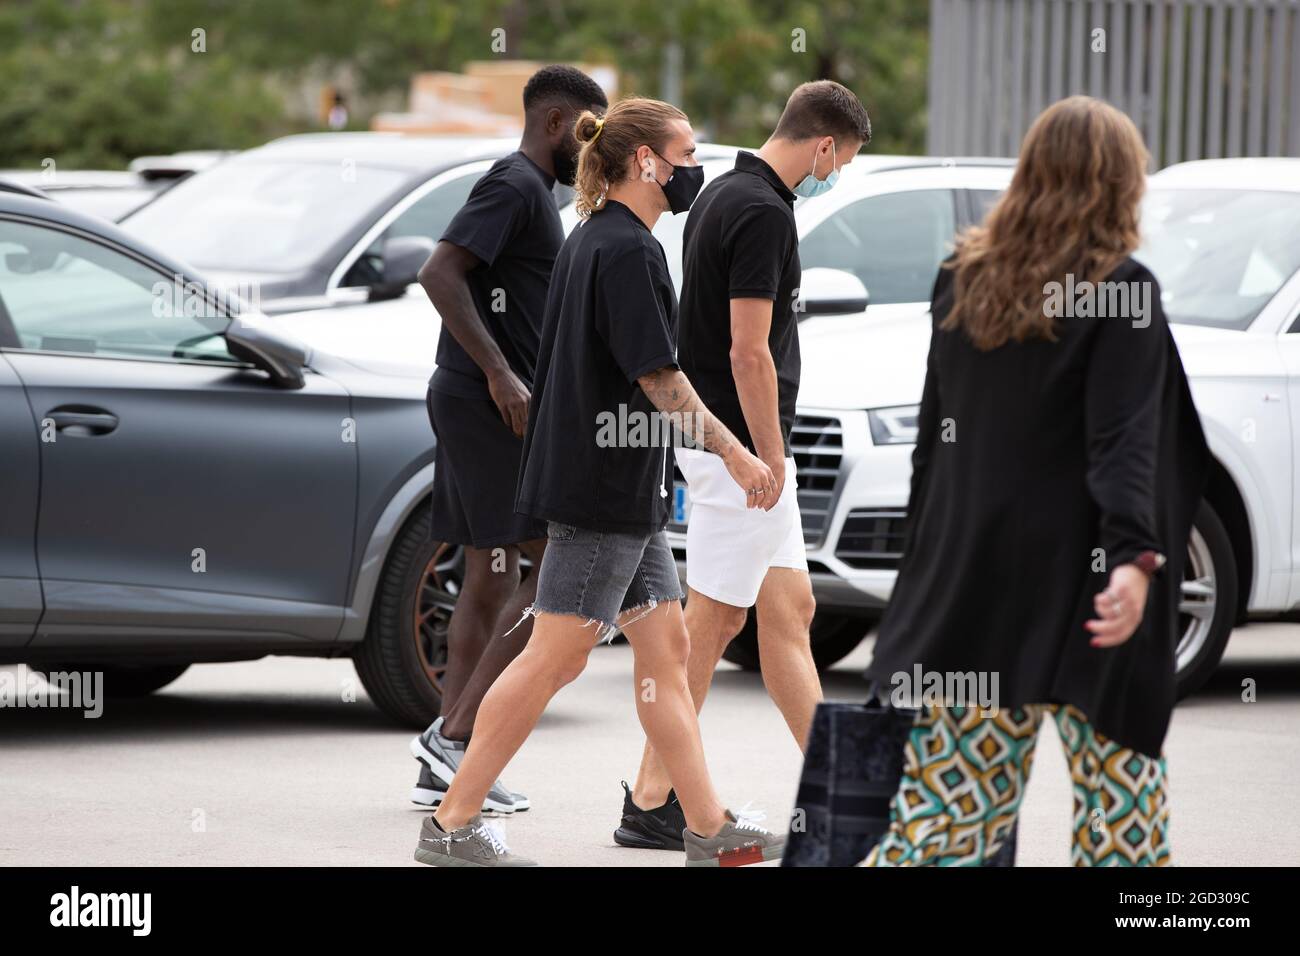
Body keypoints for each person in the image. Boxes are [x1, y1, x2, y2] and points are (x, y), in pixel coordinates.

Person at [413, 96, 785, 867]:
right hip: (600, 493)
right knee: (556, 656)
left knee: (667, 647)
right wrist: (738, 455)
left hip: (620, 493)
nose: (693, 169)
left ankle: (704, 824)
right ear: (645, 162)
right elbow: (660, 378)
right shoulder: (626, 251)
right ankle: (452, 823)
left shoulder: (597, 237)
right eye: (684, 155)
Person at [862, 96, 1209, 867]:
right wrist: (1134, 559)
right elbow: (1124, 441)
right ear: (1122, 182)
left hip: (977, 590)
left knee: (947, 825)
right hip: (1088, 595)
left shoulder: (962, 278)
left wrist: (924, 572)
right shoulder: (1123, 289)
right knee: (1122, 828)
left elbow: (934, 444)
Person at [616, 80, 872, 851]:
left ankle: (821, 792)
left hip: (727, 446)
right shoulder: (763, 211)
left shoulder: (728, 191)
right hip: (738, 450)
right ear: (823, 144)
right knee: (715, 622)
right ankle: (656, 799)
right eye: (843, 161)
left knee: (785, 614)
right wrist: (767, 454)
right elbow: (747, 348)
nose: (837, 174)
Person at [409, 65, 608, 815]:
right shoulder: (516, 186)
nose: (592, 149)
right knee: (554, 565)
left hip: (479, 403)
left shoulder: (532, 194)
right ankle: (459, 737)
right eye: (588, 132)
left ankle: (449, 757)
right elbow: (439, 273)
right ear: (556, 122)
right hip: (488, 407)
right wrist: (500, 375)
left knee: (490, 571)